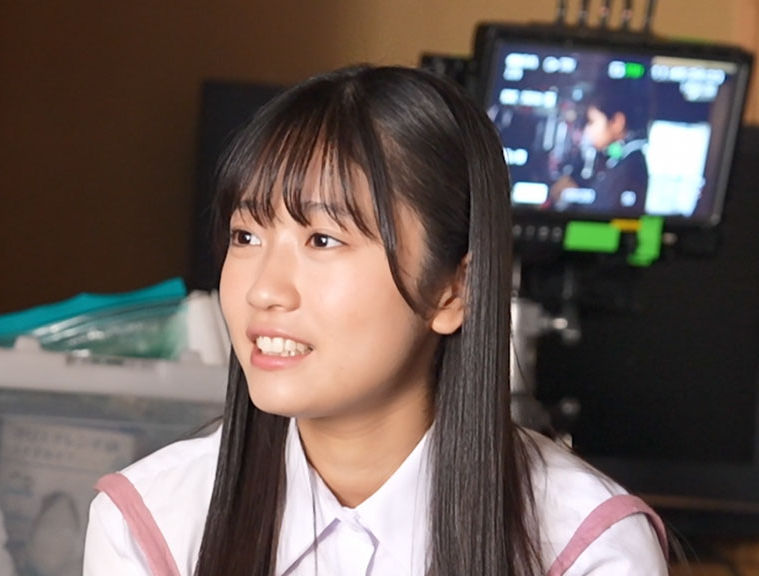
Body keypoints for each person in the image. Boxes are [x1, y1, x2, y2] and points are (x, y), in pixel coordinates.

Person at [83, 65, 668, 575]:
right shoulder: (152, 523)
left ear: (453, 290)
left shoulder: (583, 547)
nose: (262, 290)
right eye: (245, 236)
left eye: (322, 239)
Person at [550, 82, 650, 215]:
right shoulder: (617, 160)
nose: (588, 130)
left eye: (592, 122)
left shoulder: (630, 164)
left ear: (617, 122)